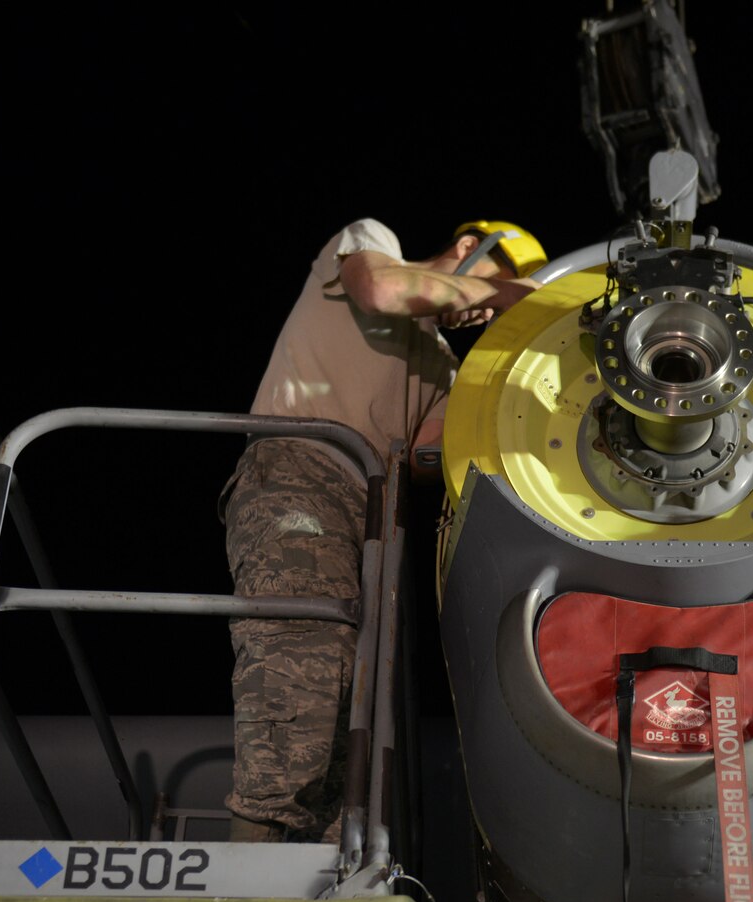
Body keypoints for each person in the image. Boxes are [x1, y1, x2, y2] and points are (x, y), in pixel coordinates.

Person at [224, 219, 546, 842]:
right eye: (497, 281)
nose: (486, 310)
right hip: (299, 473)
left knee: (351, 707)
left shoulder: (444, 370)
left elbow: (429, 456)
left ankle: (317, 881)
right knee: (301, 670)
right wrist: (505, 295)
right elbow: (380, 291)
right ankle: (247, 868)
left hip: (372, 519)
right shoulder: (372, 244)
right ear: (468, 248)